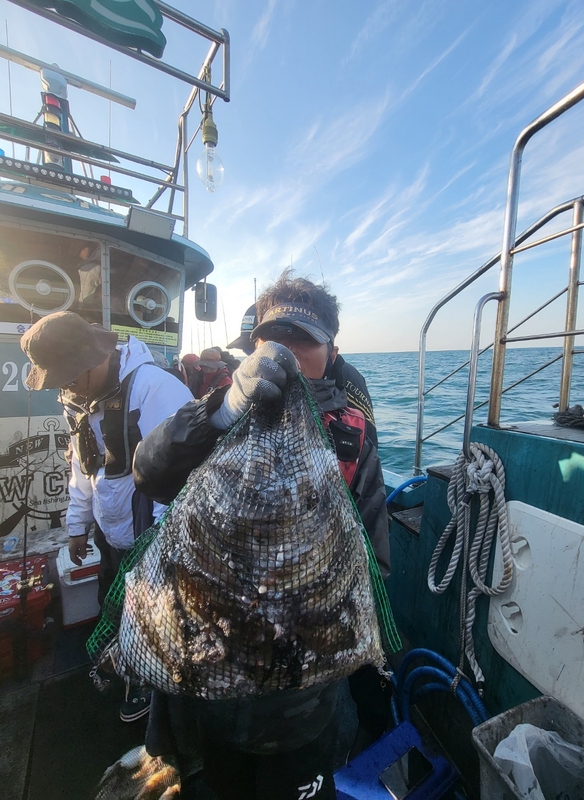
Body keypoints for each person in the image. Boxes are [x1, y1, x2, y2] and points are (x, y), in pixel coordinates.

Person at [132, 272, 391, 799]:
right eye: (279, 338)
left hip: (305, 685)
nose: (291, 353)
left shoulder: (353, 430)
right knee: (223, 782)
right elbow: (149, 475)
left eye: (306, 340)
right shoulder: (223, 406)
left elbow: (374, 554)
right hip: (216, 663)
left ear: (331, 350)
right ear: (255, 344)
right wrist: (220, 413)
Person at [20, 311, 193, 722]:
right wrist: (77, 526)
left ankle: (151, 690)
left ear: (90, 360)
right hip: (111, 535)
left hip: (155, 545)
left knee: (157, 624)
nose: (62, 386)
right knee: (114, 609)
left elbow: (183, 478)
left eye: (66, 376)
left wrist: (159, 549)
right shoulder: (78, 398)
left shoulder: (156, 391)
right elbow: (83, 467)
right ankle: (125, 669)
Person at [229, 302, 378, 444]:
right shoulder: (232, 396)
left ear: (331, 355)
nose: (284, 352)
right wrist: (227, 408)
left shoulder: (348, 381)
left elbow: (368, 442)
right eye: (271, 340)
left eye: (303, 338)